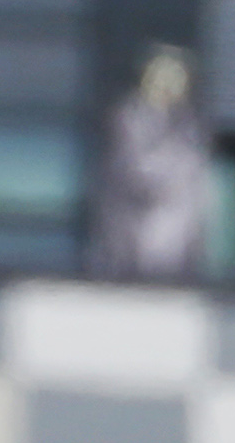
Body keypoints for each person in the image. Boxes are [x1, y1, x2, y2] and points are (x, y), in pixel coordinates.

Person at [90, 43, 209, 280]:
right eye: (161, 76)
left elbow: (195, 187)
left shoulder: (190, 129)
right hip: (129, 250)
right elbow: (138, 174)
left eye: (176, 78)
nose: (167, 86)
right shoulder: (129, 119)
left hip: (176, 254)